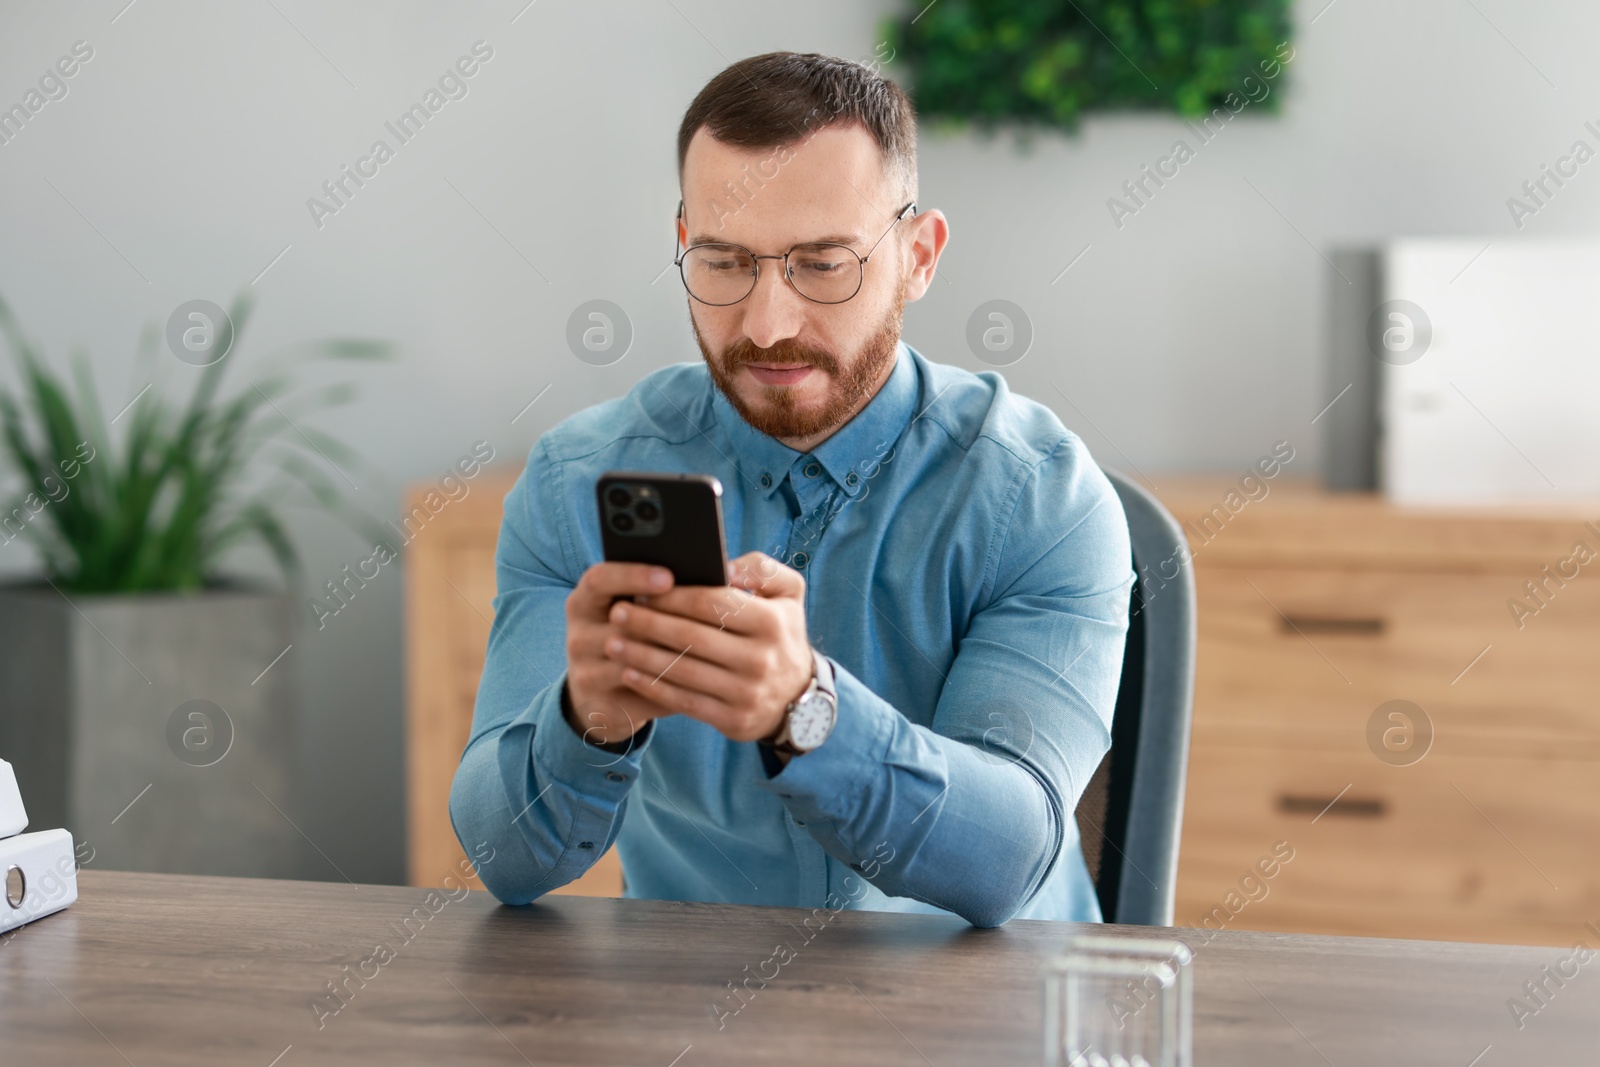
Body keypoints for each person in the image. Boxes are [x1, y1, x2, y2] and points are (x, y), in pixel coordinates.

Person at [449, 51, 1133, 927]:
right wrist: (585, 725)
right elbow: (505, 863)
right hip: (693, 1014)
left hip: (980, 1020)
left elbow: (1006, 862)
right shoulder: (574, 482)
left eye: (822, 264)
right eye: (725, 263)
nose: (767, 325)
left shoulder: (1039, 496)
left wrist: (805, 713)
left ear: (918, 257)